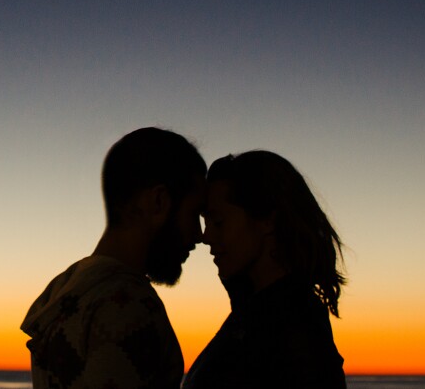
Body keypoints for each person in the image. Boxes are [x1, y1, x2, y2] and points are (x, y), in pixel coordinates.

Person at [21, 127, 208, 389]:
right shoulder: (127, 302)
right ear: (158, 202)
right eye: (194, 214)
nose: (199, 235)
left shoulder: (66, 288)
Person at [183, 150, 347, 388]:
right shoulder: (257, 316)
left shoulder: (293, 331)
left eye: (218, 222)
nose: (206, 237)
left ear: (267, 220)